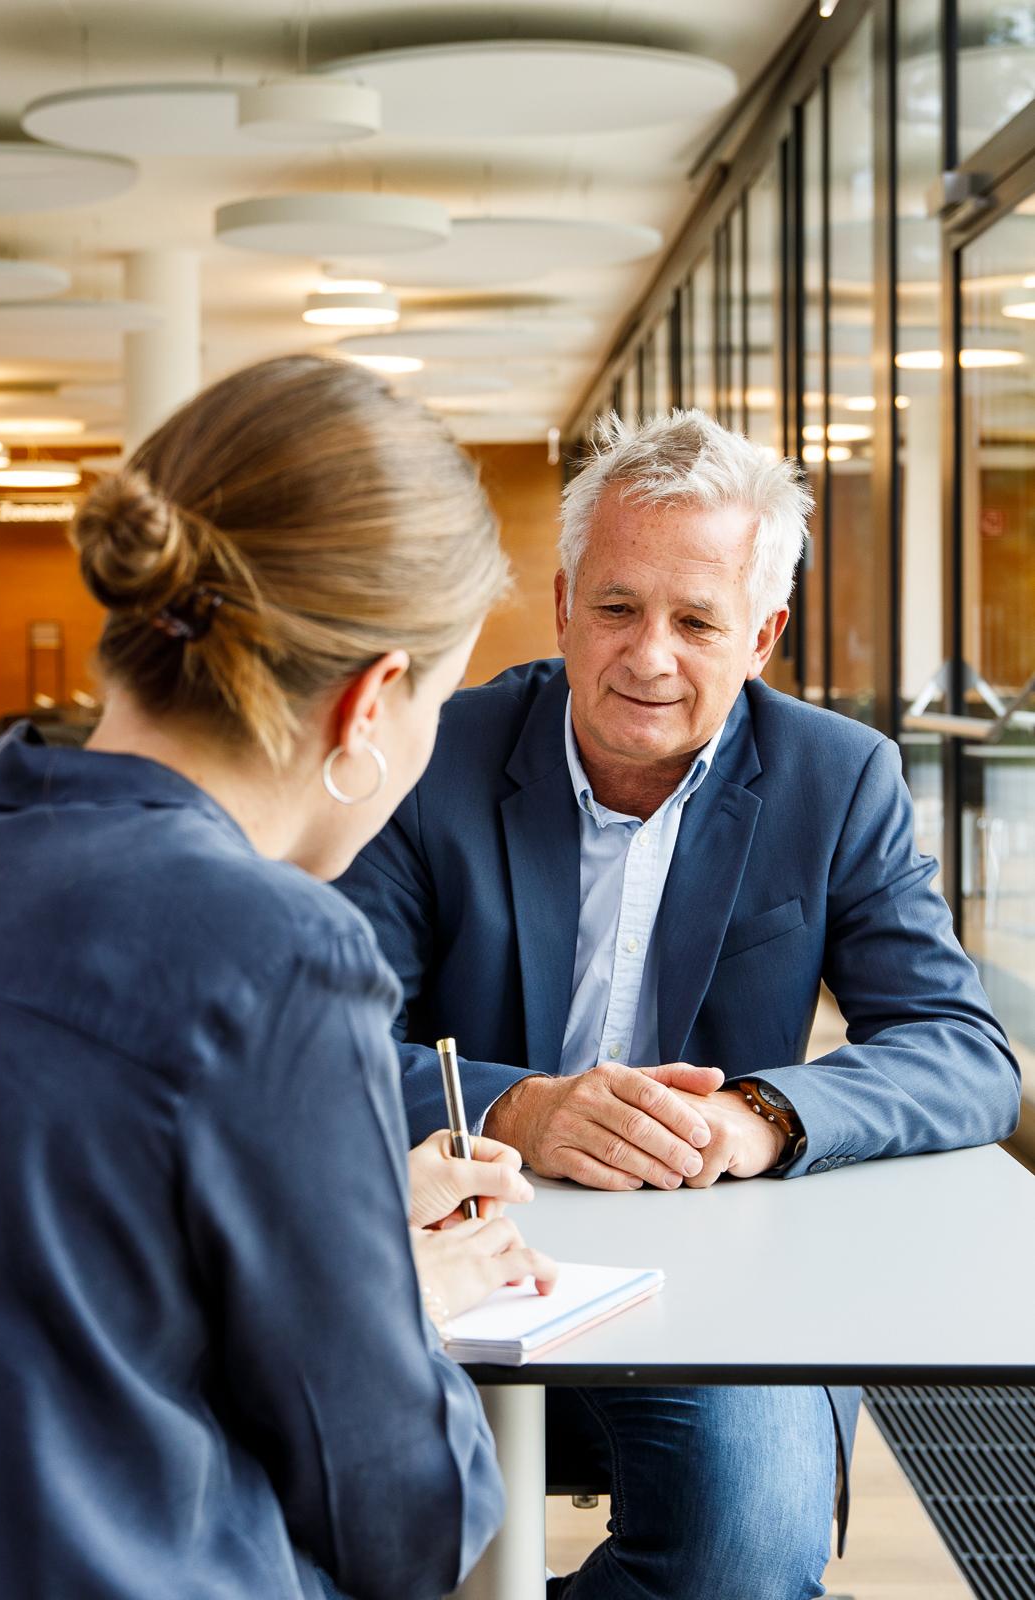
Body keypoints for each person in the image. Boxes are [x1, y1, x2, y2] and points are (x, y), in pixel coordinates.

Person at [0, 354, 555, 1600]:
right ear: (370, 705)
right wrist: (381, 1312)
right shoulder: (274, 951)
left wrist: (345, 1256)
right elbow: (410, 1522)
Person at [336, 408, 1021, 1600]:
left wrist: (764, 1112)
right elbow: (328, 1043)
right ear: (561, 604)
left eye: (697, 621)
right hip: (453, 1235)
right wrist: (522, 1112)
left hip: (723, 1264)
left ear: (762, 635)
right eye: (616, 607)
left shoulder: (835, 776)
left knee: (742, 1559)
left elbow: (961, 1052)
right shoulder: (435, 753)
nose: (647, 655)